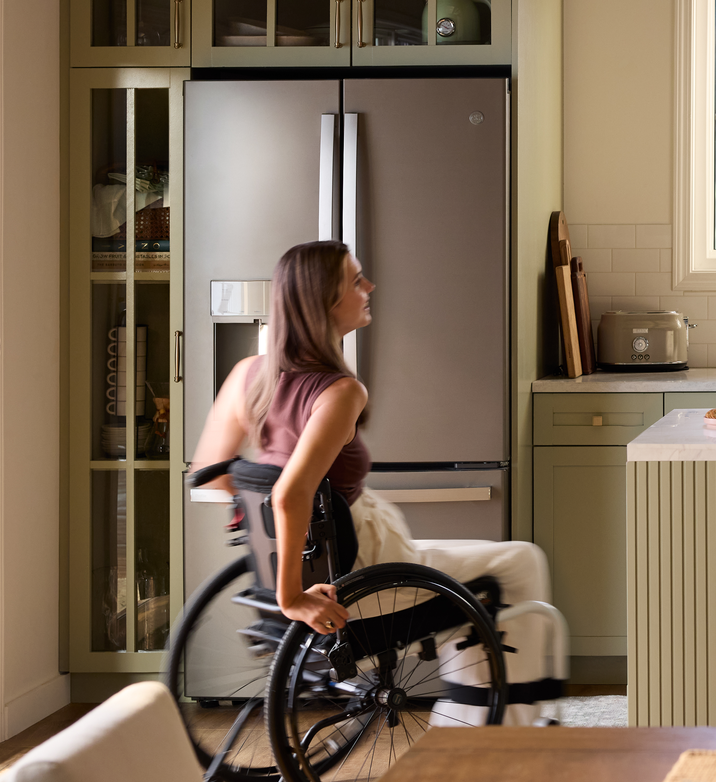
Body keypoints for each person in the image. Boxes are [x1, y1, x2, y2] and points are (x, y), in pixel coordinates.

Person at [189, 239, 559, 723]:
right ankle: (500, 729)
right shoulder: (340, 392)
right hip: (361, 566)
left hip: (329, 554)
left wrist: (278, 544)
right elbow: (289, 493)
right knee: (519, 562)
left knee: (483, 564)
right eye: (355, 280)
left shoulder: (246, 376)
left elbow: (211, 478)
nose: (370, 287)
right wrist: (292, 597)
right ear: (324, 301)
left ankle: (473, 718)